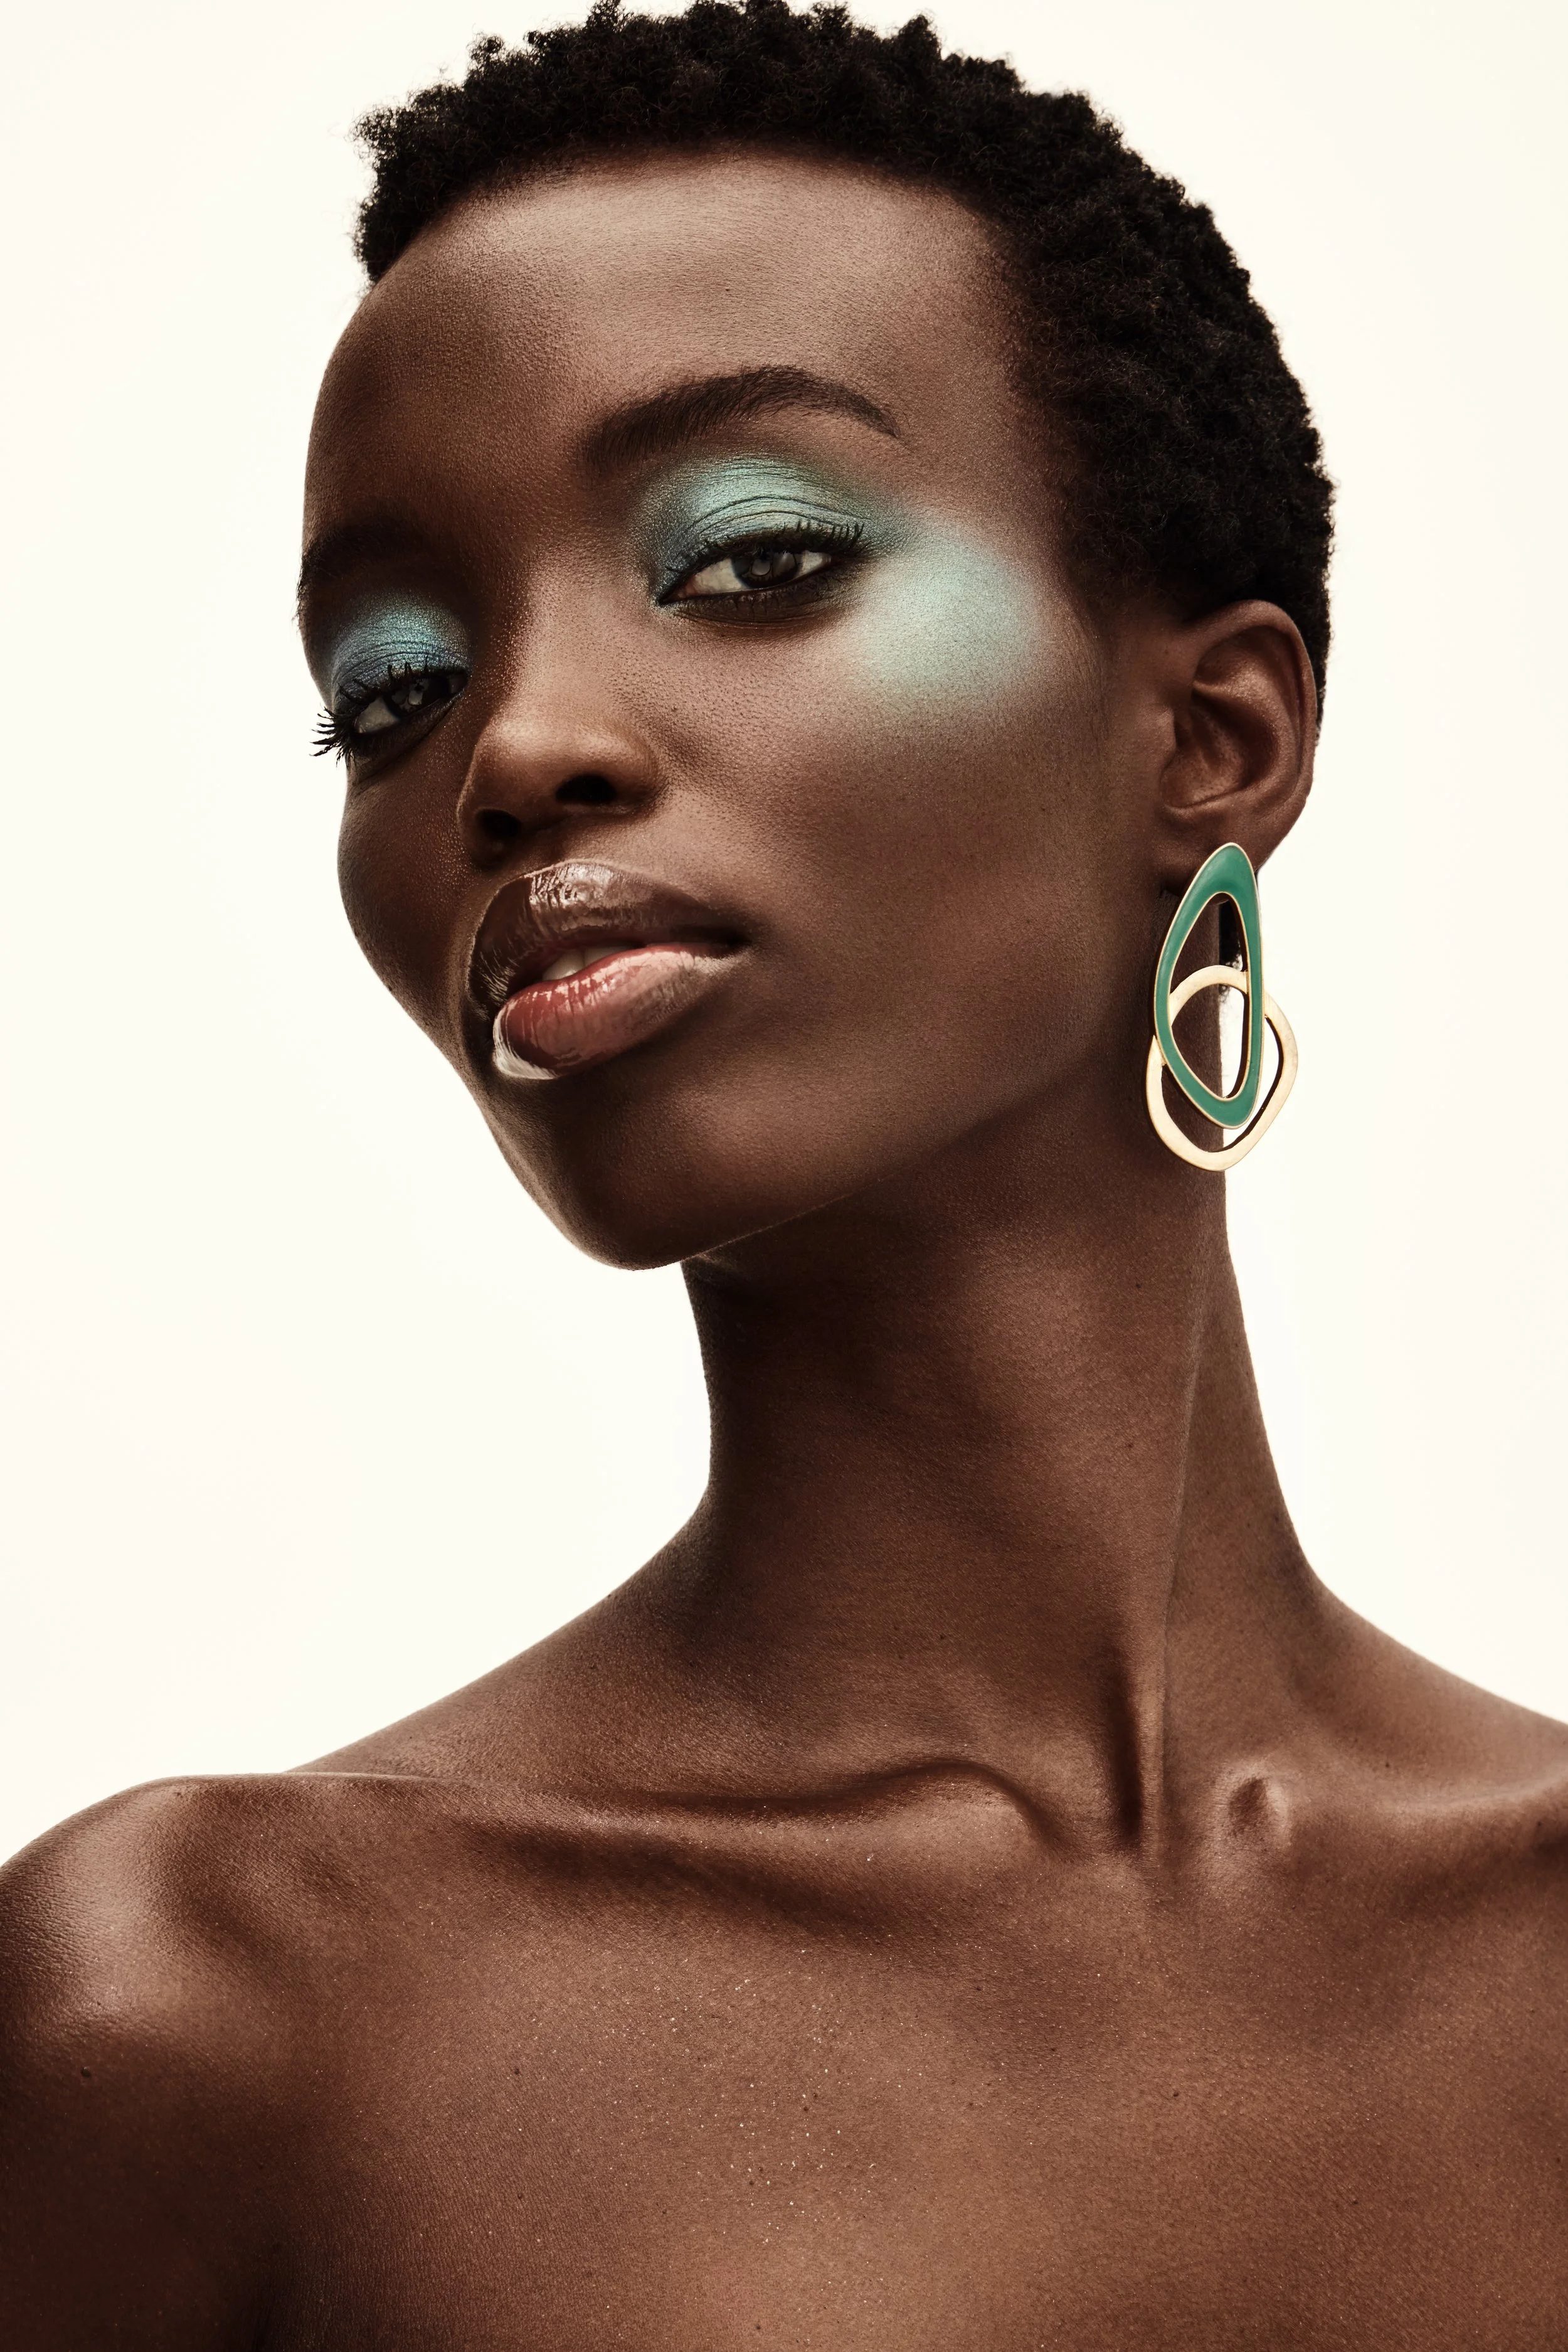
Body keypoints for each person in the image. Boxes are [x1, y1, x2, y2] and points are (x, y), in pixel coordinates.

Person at [4, 2, 1565, 2341]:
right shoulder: (208, 2015)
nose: (513, 747)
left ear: (1211, 741)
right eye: (393, 684)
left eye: (745, 560)